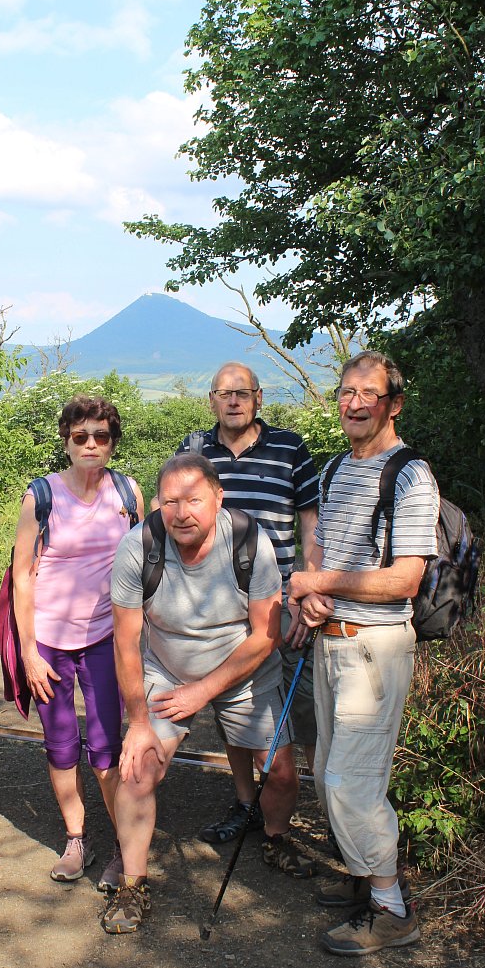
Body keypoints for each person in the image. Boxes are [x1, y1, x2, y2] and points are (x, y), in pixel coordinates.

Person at [288, 350, 439, 956]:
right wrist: (311, 597)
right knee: (329, 772)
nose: (354, 403)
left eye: (368, 394)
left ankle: (391, 908)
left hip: (374, 650)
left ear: (393, 404)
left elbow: (405, 579)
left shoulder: (410, 475)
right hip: (332, 642)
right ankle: (362, 876)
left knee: (351, 782)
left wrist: (317, 584)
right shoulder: (335, 468)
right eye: (346, 392)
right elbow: (320, 550)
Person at [103, 453, 283, 933]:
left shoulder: (249, 540)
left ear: (218, 499)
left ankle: (277, 838)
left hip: (245, 666)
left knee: (281, 773)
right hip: (168, 668)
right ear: (158, 503)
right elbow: (126, 643)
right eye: (170, 502)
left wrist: (203, 691)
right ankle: (132, 887)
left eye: (194, 501)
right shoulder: (138, 547)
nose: (181, 513)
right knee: (137, 769)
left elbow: (266, 635)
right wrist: (138, 723)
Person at [175, 362, 320, 878]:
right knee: (234, 711)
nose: (233, 401)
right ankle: (246, 804)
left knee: (299, 716)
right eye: (223, 393)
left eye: (242, 393)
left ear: (258, 398)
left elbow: (311, 525)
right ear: (212, 400)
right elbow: (177, 519)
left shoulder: (290, 448)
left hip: (281, 606)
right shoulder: (195, 450)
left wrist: (305, 590)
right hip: (217, 610)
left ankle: (319, 813)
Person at [11, 396, 144, 889]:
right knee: (62, 744)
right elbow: (23, 576)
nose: (91, 445)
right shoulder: (42, 496)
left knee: (107, 747)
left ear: (113, 441)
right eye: (80, 436)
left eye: (101, 436)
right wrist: (28, 652)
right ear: (66, 441)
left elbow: (147, 562)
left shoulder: (128, 493)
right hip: (48, 640)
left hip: (107, 637)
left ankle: (123, 847)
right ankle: (76, 838)